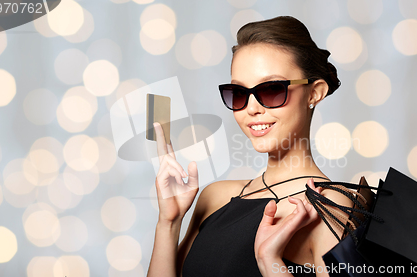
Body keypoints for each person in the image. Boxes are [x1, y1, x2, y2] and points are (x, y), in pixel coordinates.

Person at [147, 16, 354, 277]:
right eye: (239, 94)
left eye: (272, 90)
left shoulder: (330, 207)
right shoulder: (214, 198)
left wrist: (270, 261)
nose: (252, 109)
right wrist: (169, 222)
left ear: (314, 93)